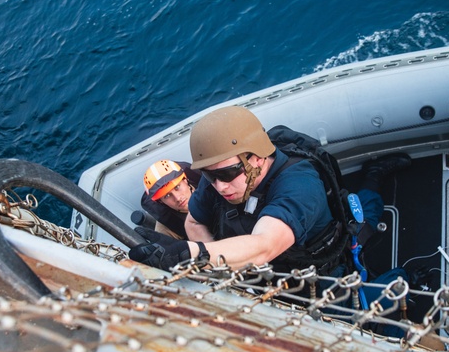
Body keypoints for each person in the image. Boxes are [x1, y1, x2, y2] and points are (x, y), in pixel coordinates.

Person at [128, 105, 410, 272]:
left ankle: (373, 176)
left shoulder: (300, 184)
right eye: (209, 177)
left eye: (228, 173)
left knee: (365, 216)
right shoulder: (218, 176)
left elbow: (263, 246)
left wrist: (197, 254)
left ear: (258, 157)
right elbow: (194, 219)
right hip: (274, 270)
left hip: (322, 263)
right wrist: (221, 261)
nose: (219, 186)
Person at [138, 159, 200, 239]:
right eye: (167, 196)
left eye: (177, 187)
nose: (177, 198)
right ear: (160, 201)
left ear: (185, 180)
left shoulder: (215, 186)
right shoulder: (166, 231)